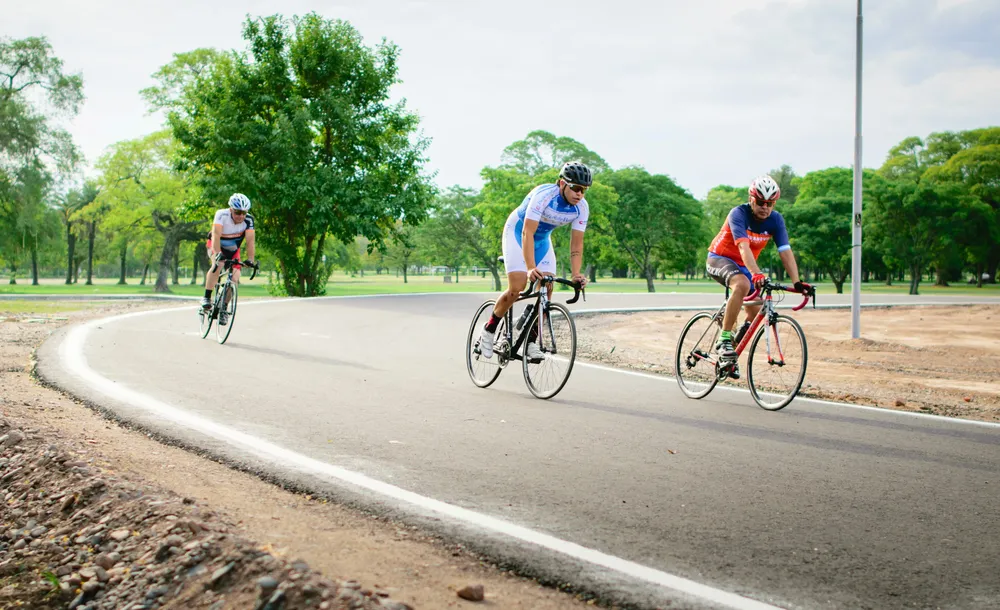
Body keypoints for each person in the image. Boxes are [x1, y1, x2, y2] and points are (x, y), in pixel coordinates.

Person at [478, 162, 592, 360]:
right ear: (561, 184)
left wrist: (576, 274)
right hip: (518, 232)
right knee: (518, 286)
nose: (579, 194)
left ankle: (531, 342)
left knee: (547, 287)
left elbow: (576, 246)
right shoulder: (543, 196)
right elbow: (527, 232)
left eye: (584, 190)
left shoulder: (581, 208)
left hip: (542, 240)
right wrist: (530, 267)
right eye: (575, 188)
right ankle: (489, 329)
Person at [705, 175, 810, 378]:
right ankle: (725, 337)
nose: (765, 207)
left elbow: (785, 251)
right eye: (761, 202)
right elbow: (743, 248)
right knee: (742, 284)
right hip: (719, 258)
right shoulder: (738, 214)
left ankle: (729, 355)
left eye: (770, 203)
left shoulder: (775, 220)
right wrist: (756, 274)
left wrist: (797, 282)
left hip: (744, 266)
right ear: (751, 199)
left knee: (754, 314)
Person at [201, 193, 256, 325]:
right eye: (238, 213)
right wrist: (218, 253)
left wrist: (250, 260)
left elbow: (250, 241)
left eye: (244, 213)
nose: (241, 216)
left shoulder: (249, 220)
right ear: (231, 209)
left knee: (235, 278)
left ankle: (224, 309)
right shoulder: (221, 215)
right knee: (218, 265)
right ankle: (207, 297)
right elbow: (216, 235)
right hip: (216, 245)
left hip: (233, 249)